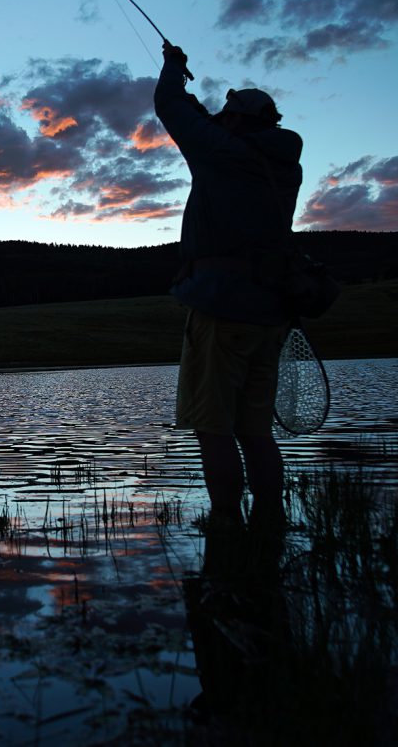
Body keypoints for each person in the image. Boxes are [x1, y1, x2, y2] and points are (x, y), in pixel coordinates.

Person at [154, 41, 302, 541]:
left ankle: (225, 530)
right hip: (272, 312)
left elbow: (170, 106)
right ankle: (269, 528)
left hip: (221, 308)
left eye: (226, 114)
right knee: (255, 431)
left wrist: (175, 66)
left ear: (237, 120)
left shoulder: (222, 153)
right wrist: (208, 114)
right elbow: (211, 128)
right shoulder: (284, 164)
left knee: (213, 428)